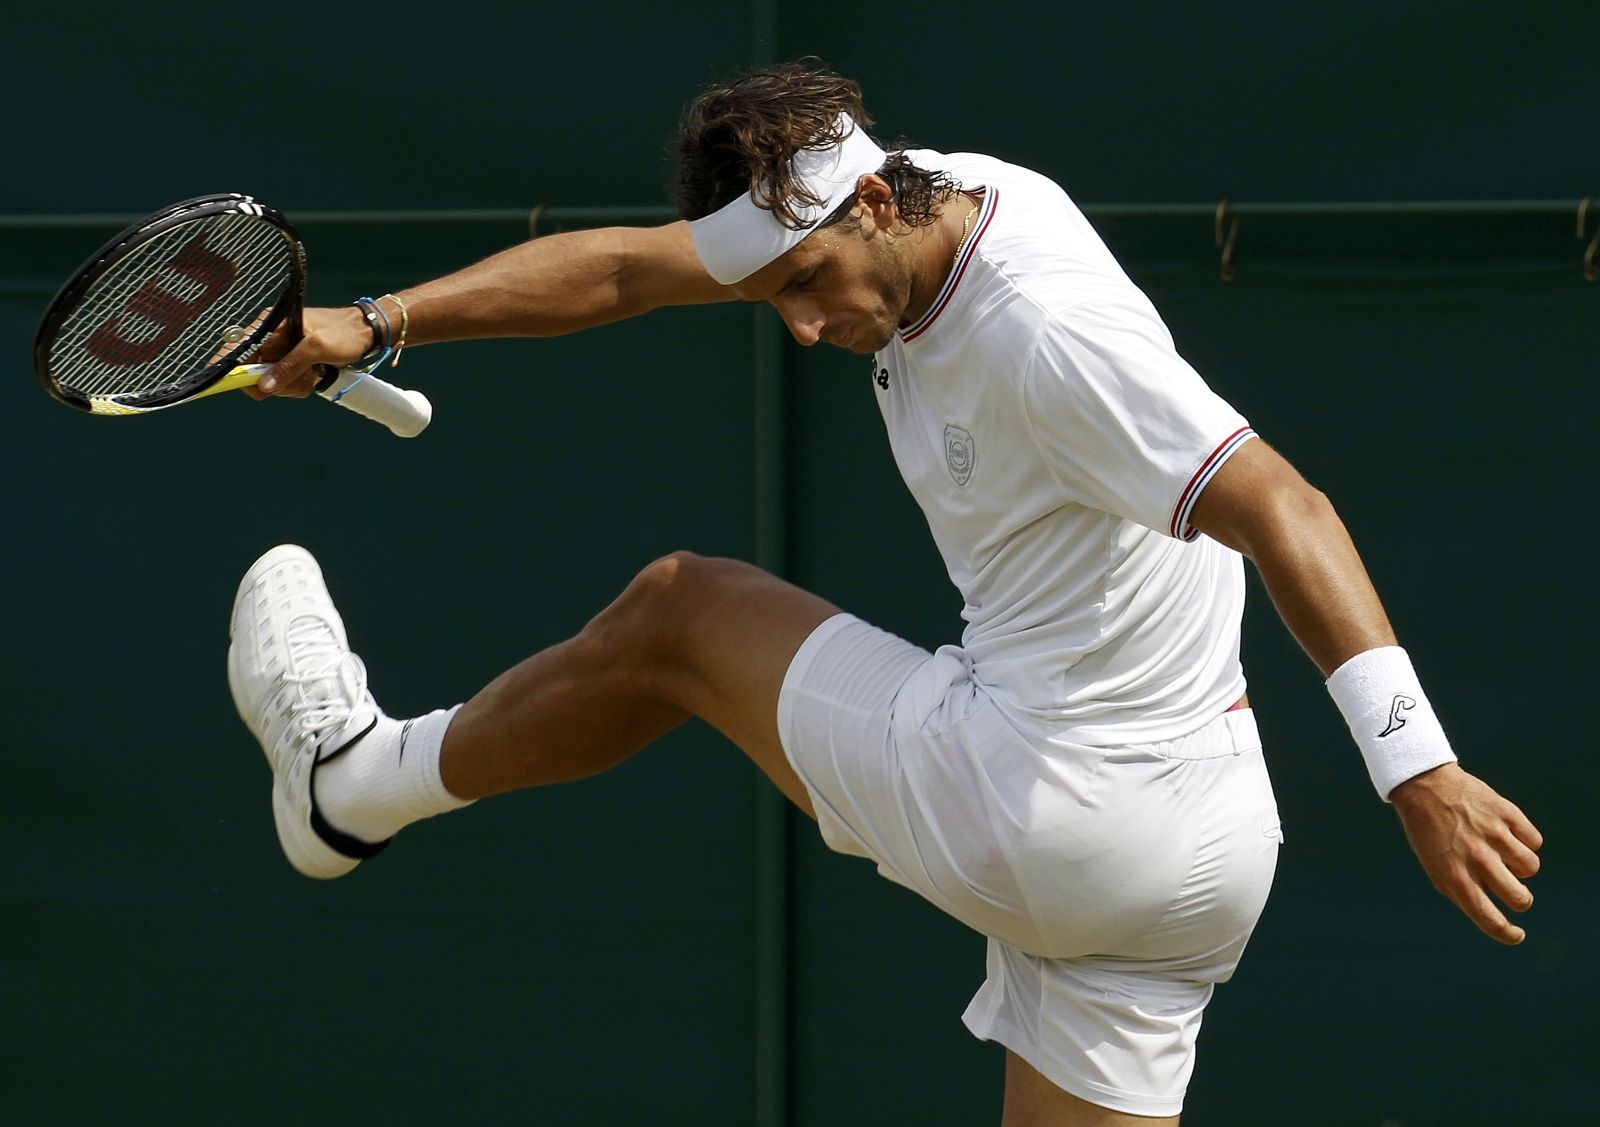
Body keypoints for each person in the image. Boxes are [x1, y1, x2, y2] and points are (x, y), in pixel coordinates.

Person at [230, 62, 1543, 1125]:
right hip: (1199, 867)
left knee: (682, 612)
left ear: (871, 203)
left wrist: (1415, 771)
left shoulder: (1039, 332)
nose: (799, 329)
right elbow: (633, 268)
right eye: (769, 300)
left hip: (1050, 805)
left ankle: (349, 787)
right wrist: (375, 318)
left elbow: (1284, 508)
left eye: (805, 287)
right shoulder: (904, 202)